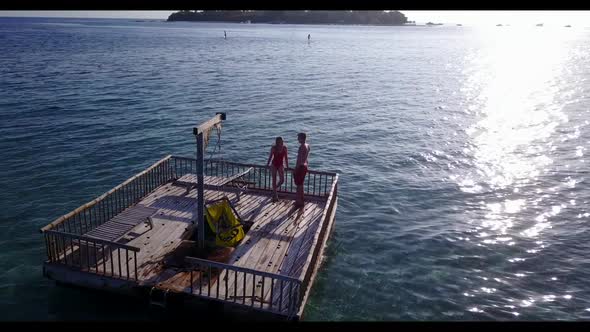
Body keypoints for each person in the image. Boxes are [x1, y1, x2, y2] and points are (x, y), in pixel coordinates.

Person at [266, 137, 289, 202]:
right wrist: (267, 164)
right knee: (274, 179)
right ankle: (275, 196)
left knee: (282, 180)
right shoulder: (273, 148)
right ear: (277, 142)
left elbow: (286, 158)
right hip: (274, 164)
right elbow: (270, 156)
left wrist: (287, 166)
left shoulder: (284, 148)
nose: (280, 143)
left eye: (281, 141)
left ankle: (274, 189)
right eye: (278, 141)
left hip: (280, 164)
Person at [294, 132, 310, 207]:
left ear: (301, 138)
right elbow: (306, 158)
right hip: (305, 166)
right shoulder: (307, 146)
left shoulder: (301, 147)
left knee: (299, 185)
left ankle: (298, 201)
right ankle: (302, 199)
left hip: (300, 167)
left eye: (298, 138)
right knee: (301, 184)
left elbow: (300, 160)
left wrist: (296, 169)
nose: (297, 139)